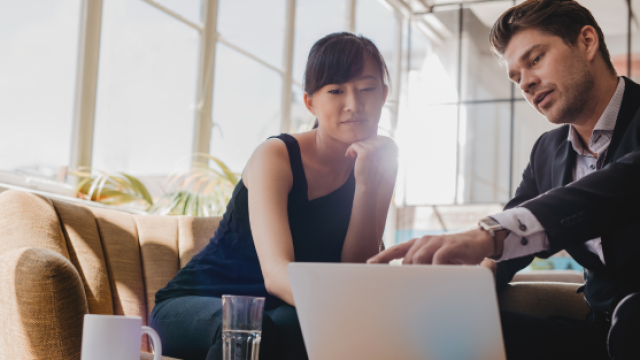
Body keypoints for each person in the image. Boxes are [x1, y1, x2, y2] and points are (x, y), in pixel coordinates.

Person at [369, 0, 640, 359]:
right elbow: (512, 238)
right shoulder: (547, 151)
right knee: (447, 329)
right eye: (516, 76)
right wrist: (462, 280)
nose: (526, 82)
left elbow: (616, 189)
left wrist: (488, 235)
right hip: (600, 331)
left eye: (536, 59)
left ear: (587, 42)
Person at [150, 32, 398, 360]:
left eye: (366, 89)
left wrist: (366, 183)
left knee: (304, 332)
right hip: (198, 305)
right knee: (251, 330)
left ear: (383, 95)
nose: (353, 104)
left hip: (280, 311)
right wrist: (345, 314)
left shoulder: (383, 157)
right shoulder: (276, 155)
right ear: (310, 102)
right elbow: (277, 274)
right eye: (336, 90)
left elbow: (352, 270)